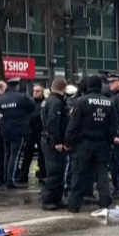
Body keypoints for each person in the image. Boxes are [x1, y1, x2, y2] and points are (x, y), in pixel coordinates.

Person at [65, 75, 116, 213]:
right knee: (101, 173)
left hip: (84, 143)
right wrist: (110, 140)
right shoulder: (108, 102)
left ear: (88, 86)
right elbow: (113, 125)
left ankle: (74, 204)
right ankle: (104, 200)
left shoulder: (82, 101)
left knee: (79, 173)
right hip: (102, 143)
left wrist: (68, 142)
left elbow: (73, 124)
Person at [0, 77, 35, 189]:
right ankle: (11, 180)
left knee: (7, 154)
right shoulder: (21, 97)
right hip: (18, 130)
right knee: (15, 155)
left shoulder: (0, 98)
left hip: (5, 130)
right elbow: (31, 108)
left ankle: (6, 177)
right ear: (17, 86)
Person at [40, 78, 69, 210]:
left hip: (49, 140)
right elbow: (53, 122)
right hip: (53, 141)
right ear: (64, 88)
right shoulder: (56, 103)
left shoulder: (50, 100)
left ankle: (57, 199)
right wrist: (57, 141)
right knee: (54, 171)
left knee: (58, 170)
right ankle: (48, 200)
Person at [18, 84, 46, 184]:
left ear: (42, 92)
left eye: (37, 91)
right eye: (34, 91)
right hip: (30, 131)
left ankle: (43, 175)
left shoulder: (45, 102)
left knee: (42, 154)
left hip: (40, 131)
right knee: (27, 154)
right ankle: (23, 175)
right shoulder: (30, 102)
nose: (35, 93)